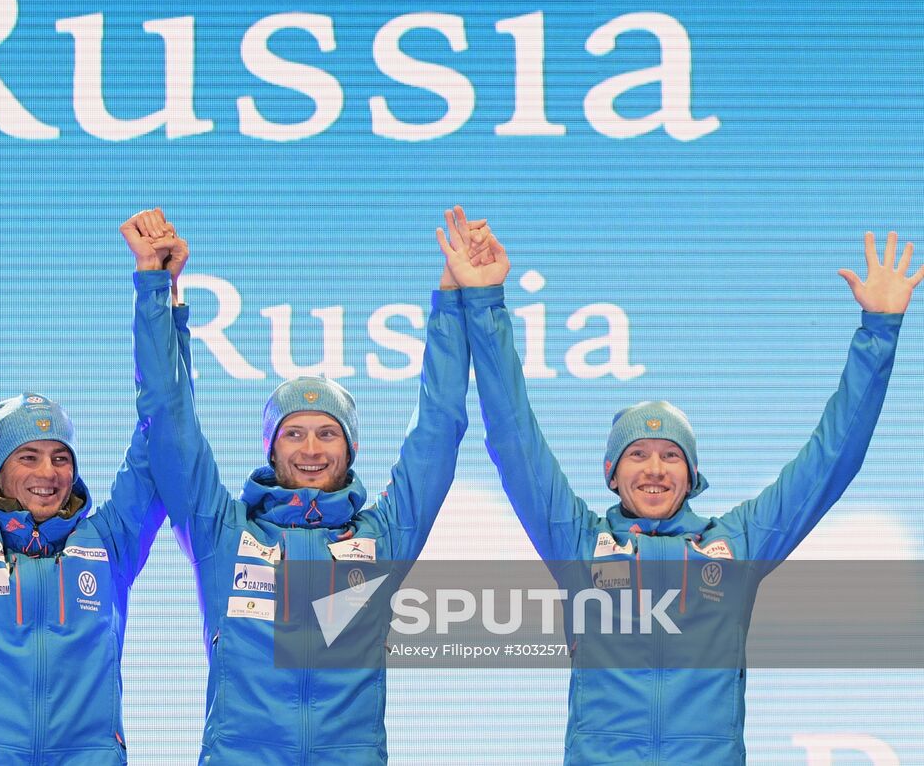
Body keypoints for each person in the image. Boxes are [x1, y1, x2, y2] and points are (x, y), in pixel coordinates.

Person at [446, 209, 920, 765]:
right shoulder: (578, 542)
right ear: (611, 474)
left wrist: (879, 331)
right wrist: (484, 304)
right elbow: (512, 435)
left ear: (692, 476)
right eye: (637, 455)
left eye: (671, 456)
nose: (654, 468)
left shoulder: (736, 543)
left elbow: (831, 459)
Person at [129, 207, 482, 764]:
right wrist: (158, 290)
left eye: (327, 434)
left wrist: (455, 304)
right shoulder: (223, 532)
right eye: (294, 433)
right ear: (271, 449)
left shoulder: (383, 537)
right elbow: (168, 417)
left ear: (352, 448)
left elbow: (438, 429)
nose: (312, 450)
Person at [0, 215, 189, 764]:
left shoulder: (110, 541)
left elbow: (164, 426)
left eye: (62, 457)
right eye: (28, 456)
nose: (49, 472)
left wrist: (159, 291)